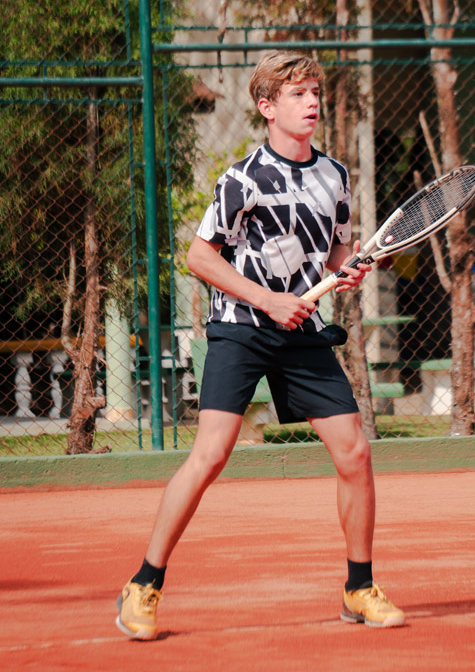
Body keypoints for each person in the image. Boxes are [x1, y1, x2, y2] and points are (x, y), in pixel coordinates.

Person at [115, 51, 405, 640]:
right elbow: (200, 257)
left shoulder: (335, 176)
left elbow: (335, 253)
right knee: (211, 454)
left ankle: (358, 588)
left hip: (302, 331)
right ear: (267, 107)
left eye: (315, 92)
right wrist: (268, 300)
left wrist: (348, 268)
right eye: (298, 94)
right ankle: (143, 584)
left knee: (355, 453)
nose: (312, 102)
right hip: (240, 328)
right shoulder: (242, 179)